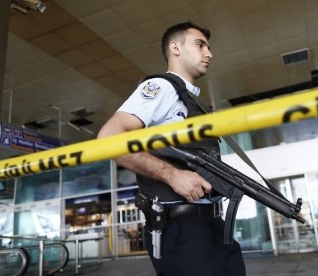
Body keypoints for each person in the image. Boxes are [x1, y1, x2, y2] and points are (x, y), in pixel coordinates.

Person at [97, 21, 245, 275]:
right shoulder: (163, 88)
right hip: (182, 229)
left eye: (208, 47)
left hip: (210, 225)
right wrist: (172, 175)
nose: (208, 53)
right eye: (200, 45)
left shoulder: (190, 98)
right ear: (175, 48)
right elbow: (109, 138)